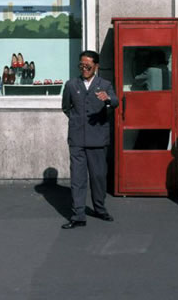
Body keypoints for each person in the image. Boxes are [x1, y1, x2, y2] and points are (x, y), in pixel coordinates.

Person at [60, 50, 119, 229]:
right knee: (77, 178)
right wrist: (77, 121)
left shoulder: (105, 84)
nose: (84, 69)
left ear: (96, 66)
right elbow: (66, 107)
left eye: (88, 66)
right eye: (81, 65)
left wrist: (108, 99)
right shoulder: (71, 84)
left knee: (98, 177)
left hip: (98, 138)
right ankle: (78, 215)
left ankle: (100, 208)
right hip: (77, 138)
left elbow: (115, 102)